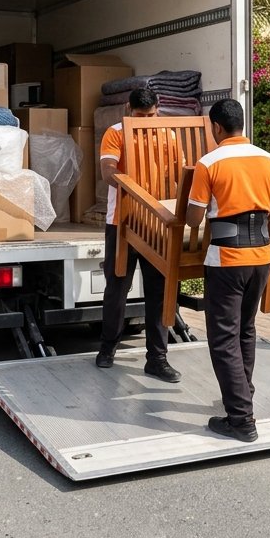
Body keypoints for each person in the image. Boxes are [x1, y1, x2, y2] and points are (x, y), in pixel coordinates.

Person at [186, 98, 270, 442]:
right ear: (241, 123)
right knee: (246, 329)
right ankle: (244, 396)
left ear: (216, 127)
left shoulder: (208, 163)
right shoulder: (269, 159)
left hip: (227, 259)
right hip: (261, 256)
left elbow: (194, 218)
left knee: (223, 337)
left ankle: (242, 419)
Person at [94, 87, 180, 383]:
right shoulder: (116, 132)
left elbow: (176, 174)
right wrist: (134, 188)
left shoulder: (167, 134)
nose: (145, 121)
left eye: (151, 116)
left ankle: (157, 358)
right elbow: (107, 171)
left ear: (159, 109)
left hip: (156, 222)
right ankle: (107, 348)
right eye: (139, 116)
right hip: (122, 220)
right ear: (128, 110)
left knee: (158, 289)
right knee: (117, 287)